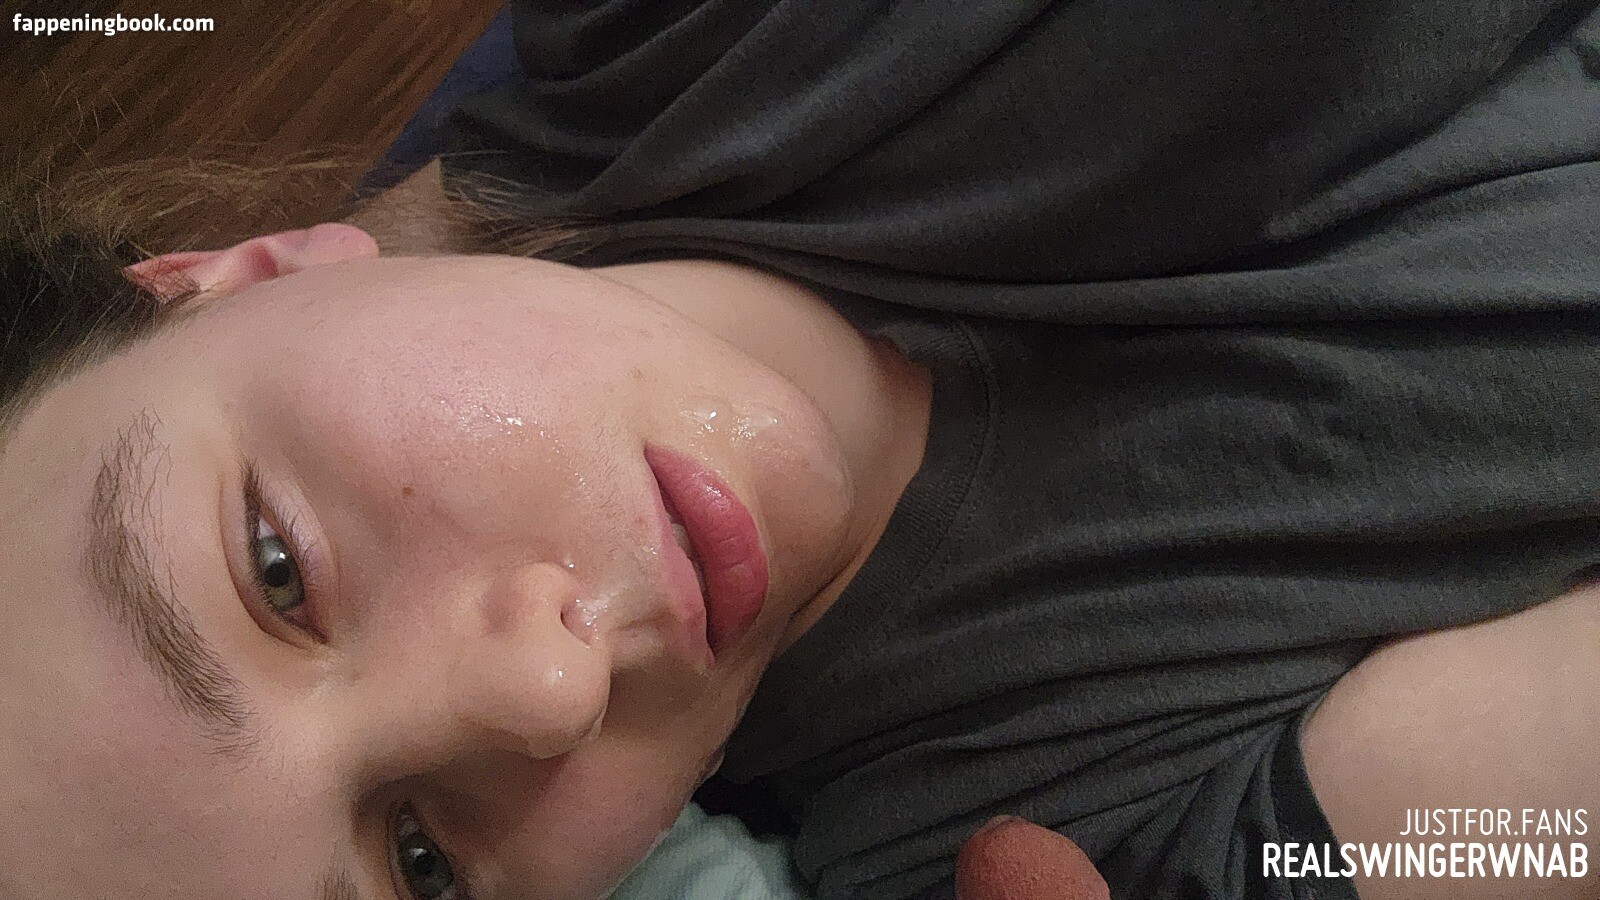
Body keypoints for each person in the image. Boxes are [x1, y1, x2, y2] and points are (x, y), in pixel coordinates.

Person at [2, 2, 1597, 899]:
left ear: (232, 278)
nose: (550, 690)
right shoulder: (1046, 838)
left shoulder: (698, 34)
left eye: (275, 569)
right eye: (421, 869)